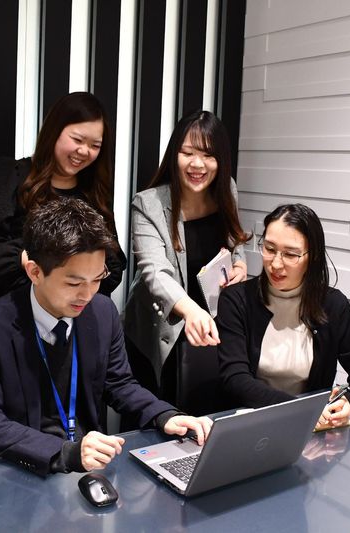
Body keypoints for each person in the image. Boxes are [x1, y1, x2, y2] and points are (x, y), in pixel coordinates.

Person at [0, 197, 212, 475]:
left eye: (97, 278)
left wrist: (163, 414)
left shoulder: (102, 312)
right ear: (35, 271)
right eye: (74, 283)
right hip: (17, 470)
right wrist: (65, 453)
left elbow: (119, 383)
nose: (88, 294)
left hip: (86, 466)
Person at [0, 92, 127, 363]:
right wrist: (25, 259)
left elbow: (112, 263)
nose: (84, 151)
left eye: (95, 145)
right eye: (77, 139)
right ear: (53, 131)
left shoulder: (95, 195)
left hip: (69, 329)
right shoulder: (9, 175)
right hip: (5, 316)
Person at [122, 110, 249, 411]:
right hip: (162, 328)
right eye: (187, 153)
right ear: (174, 155)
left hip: (210, 322)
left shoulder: (227, 189)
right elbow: (155, 272)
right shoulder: (148, 204)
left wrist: (240, 264)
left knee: (208, 411)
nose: (197, 164)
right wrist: (191, 311)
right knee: (160, 414)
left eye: (208, 155)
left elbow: (235, 238)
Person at [216, 204, 350, 429]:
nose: (276, 264)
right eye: (269, 249)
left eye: (290, 254)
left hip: (311, 431)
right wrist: (302, 410)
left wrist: (348, 401)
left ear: (312, 256)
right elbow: (236, 379)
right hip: (249, 425)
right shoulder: (237, 299)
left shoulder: (332, 304)